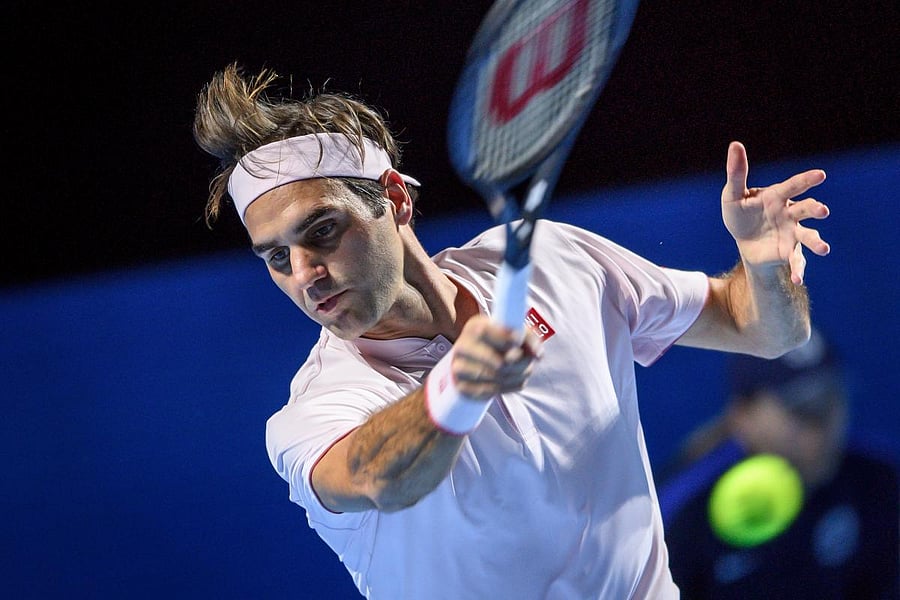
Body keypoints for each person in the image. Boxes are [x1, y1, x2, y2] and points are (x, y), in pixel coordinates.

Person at [192, 62, 832, 599]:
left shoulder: (553, 260)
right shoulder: (315, 410)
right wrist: (454, 391)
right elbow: (374, 475)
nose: (305, 274)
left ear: (395, 198)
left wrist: (764, 265)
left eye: (322, 230)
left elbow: (760, 328)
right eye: (277, 257)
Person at [658, 328, 900, 599]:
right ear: (743, 416)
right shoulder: (685, 519)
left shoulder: (880, 484)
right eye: (804, 410)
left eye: (831, 400)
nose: (823, 427)